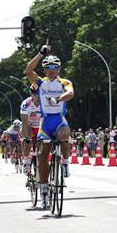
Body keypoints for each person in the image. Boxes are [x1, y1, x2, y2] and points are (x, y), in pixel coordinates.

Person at [25, 44, 74, 209]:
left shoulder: (64, 82)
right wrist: (40, 54)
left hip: (59, 119)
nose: (52, 70)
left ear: (58, 69)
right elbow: (28, 71)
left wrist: (59, 99)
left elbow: (71, 93)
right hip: (45, 122)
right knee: (43, 155)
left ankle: (65, 161)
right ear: (44, 70)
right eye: (48, 68)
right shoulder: (40, 83)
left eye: (55, 67)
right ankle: (44, 188)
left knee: (65, 133)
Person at [21, 85, 41, 174]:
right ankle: (26, 162)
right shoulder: (26, 104)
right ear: (31, 94)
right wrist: (27, 138)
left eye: (38, 93)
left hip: (41, 127)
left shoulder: (46, 102)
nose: (36, 95)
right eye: (34, 93)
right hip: (29, 126)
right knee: (28, 138)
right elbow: (24, 123)